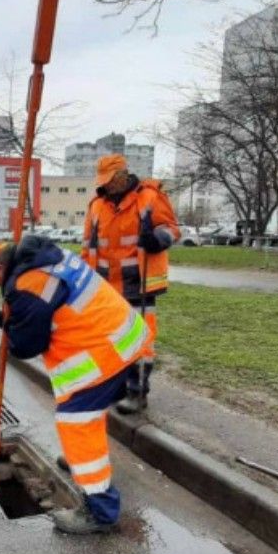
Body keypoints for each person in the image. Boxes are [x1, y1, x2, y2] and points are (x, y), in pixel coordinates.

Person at [0, 236, 150, 535]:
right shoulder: (45, 258)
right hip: (122, 335)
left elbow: (28, 344)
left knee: (76, 421)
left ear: (0, 266)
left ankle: (101, 512)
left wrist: (9, 326)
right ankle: (80, 460)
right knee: (88, 417)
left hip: (102, 352)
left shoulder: (28, 285)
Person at [82, 154, 179, 412]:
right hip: (105, 287)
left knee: (139, 342)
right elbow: (87, 246)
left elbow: (171, 228)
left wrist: (158, 238)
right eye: (103, 181)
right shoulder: (96, 205)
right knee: (112, 341)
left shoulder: (148, 197)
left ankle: (138, 392)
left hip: (138, 284)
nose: (107, 186)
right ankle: (120, 388)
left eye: (111, 180)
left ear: (123, 175)